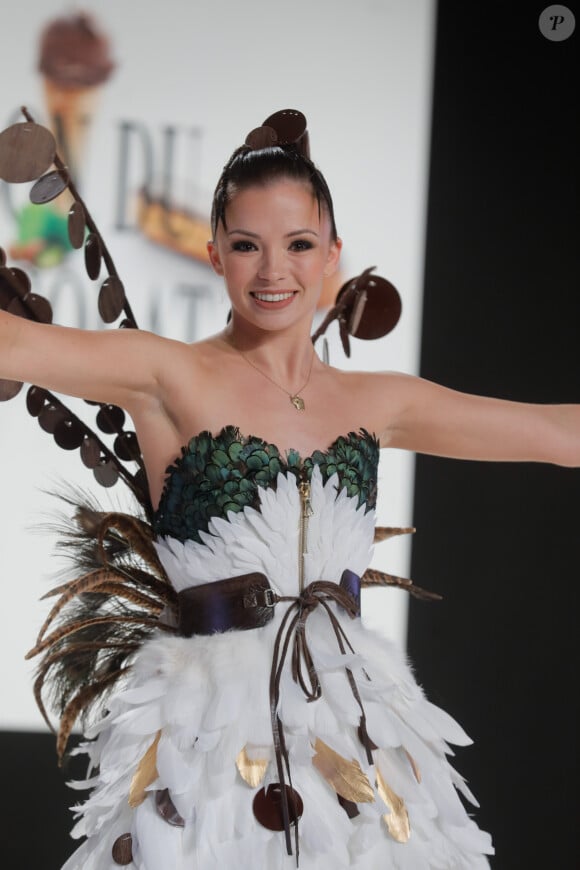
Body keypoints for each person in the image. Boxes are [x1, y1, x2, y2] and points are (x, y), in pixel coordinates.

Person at [0, 109, 578, 870]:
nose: (274, 271)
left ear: (332, 253)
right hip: (208, 739)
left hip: (355, 724)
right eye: (247, 246)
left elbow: (560, 433)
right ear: (214, 255)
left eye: (299, 245)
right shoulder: (166, 373)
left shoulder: (378, 400)